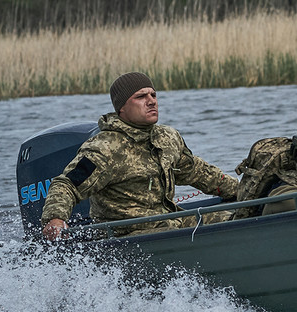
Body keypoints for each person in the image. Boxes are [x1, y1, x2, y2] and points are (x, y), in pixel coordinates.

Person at [40, 72, 239, 240]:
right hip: (127, 236)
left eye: (153, 94)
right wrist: (56, 219)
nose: (151, 101)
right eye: (141, 97)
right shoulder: (104, 148)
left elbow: (197, 171)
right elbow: (67, 185)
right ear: (122, 108)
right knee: (175, 233)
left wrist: (241, 191)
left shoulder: (168, 137)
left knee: (234, 218)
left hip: (169, 223)